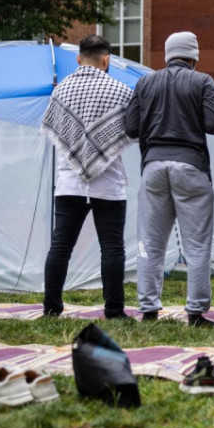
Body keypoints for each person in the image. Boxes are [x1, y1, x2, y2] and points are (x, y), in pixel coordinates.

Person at [124, 31, 214, 326]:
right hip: (191, 166)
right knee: (197, 244)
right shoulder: (203, 81)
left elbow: (131, 128)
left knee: (150, 243)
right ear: (193, 56)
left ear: (167, 55)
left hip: (153, 167)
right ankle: (195, 312)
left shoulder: (145, 83)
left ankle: (149, 309)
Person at [39, 35, 134, 319]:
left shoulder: (62, 90)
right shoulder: (121, 90)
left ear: (79, 59)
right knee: (112, 246)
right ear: (107, 60)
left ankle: (52, 308)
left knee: (61, 246)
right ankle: (114, 310)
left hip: (69, 182)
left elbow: (54, 129)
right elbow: (131, 129)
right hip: (109, 180)